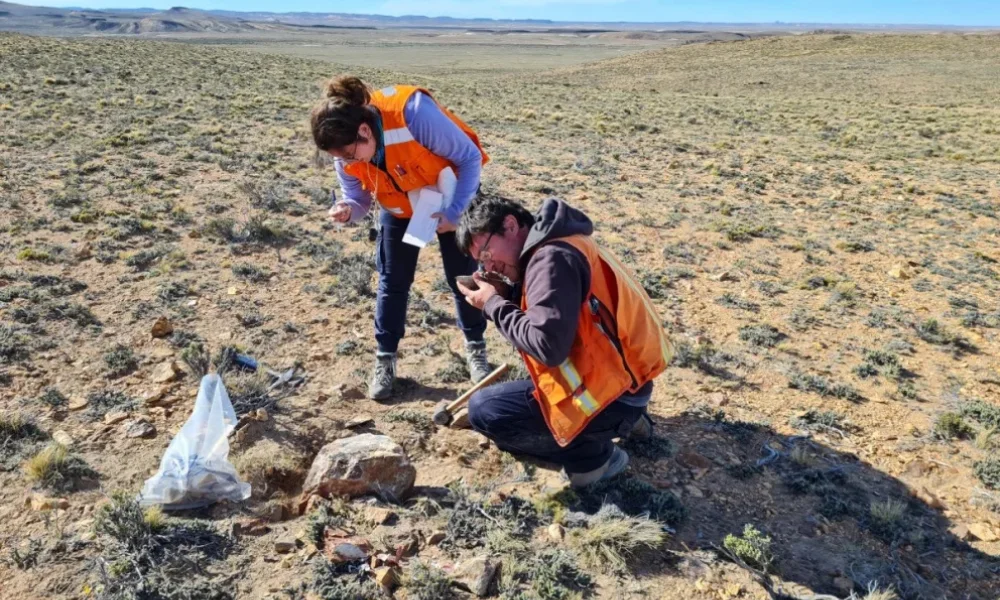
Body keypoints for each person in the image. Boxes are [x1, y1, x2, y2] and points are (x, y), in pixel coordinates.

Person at [455, 195, 673, 487]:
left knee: (487, 411)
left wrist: (494, 305)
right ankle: (625, 422)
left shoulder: (550, 260)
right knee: (501, 402)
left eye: (486, 253)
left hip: (613, 395)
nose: (488, 265)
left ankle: (596, 458)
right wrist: (506, 295)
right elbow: (560, 321)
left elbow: (548, 347)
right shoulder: (561, 244)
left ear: (509, 225)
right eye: (481, 262)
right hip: (626, 383)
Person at [311, 76, 492, 400]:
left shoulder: (413, 112)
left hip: (453, 196)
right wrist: (346, 209)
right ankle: (385, 359)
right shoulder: (344, 151)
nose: (348, 162)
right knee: (393, 280)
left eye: (351, 154)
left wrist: (453, 216)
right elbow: (358, 199)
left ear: (364, 131)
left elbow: (469, 158)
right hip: (403, 207)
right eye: (341, 159)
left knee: (463, 278)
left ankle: (476, 350)